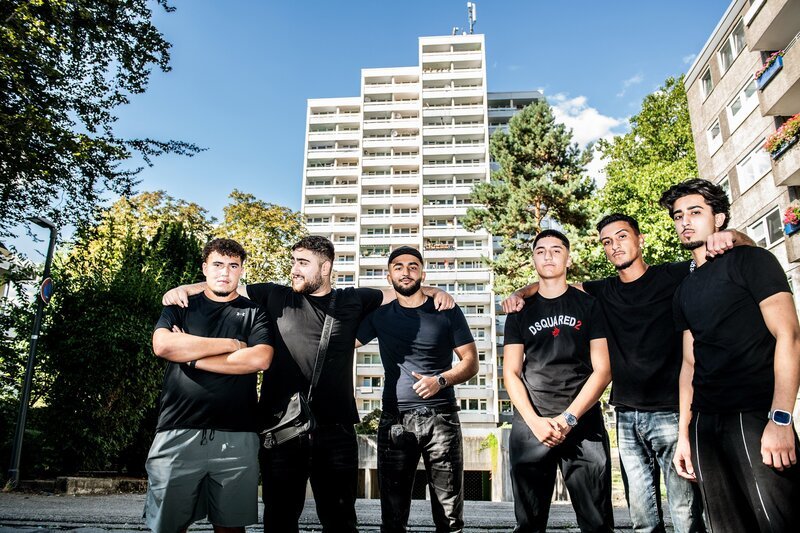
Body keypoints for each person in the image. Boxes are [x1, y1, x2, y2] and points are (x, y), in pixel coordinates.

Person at [162, 235, 453, 533]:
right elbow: (226, 286)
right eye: (293, 262)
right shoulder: (273, 296)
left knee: (341, 523)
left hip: (336, 431)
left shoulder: (353, 300)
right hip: (280, 428)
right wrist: (184, 289)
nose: (294, 270)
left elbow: (397, 292)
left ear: (325, 267)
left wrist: (434, 291)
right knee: (280, 521)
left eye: (302, 263)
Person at [503, 214, 755, 533]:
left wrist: (729, 235)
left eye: (622, 237)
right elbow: (552, 287)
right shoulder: (600, 291)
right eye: (607, 242)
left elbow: (738, 251)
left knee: (684, 513)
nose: (615, 245)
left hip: (666, 412)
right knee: (642, 518)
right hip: (625, 415)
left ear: (640, 239)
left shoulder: (673, 274)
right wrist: (520, 294)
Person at [660, 178, 800, 532]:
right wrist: (684, 435)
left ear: (719, 218)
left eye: (695, 212)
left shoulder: (752, 260)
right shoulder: (684, 290)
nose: (685, 222)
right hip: (706, 426)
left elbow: (790, 335)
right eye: (678, 216)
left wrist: (781, 418)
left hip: (756, 417)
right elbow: (689, 364)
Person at [146, 238, 274, 533]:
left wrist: (191, 356)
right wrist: (229, 344)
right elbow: (163, 345)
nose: (225, 272)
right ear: (204, 268)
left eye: (233, 266)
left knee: (230, 528)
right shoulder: (182, 306)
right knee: (166, 526)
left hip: (237, 436)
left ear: (241, 271)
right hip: (177, 431)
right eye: (217, 264)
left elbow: (260, 358)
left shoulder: (255, 312)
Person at [355, 246, 478, 533]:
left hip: (442, 419)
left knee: (449, 518)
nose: (406, 271)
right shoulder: (379, 316)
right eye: (398, 266)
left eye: (413, 266)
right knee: (393, 517)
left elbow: (471, 363)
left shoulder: (445, 310)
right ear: (389, 276)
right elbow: (344, 342)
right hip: (395, 420)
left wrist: (441, 380)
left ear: (422, 272)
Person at [503, 229, 613, 533]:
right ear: (533, 259)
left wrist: (569, 418)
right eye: (540, 251)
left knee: (596, 522)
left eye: (555, 249)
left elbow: (602, 369)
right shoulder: (519, 310)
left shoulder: (589, 305)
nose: (547, 255)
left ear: (568, 256)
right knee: (529, 524)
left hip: (582, 421)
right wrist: (535, 422)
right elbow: (511, 373)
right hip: (531, 423)